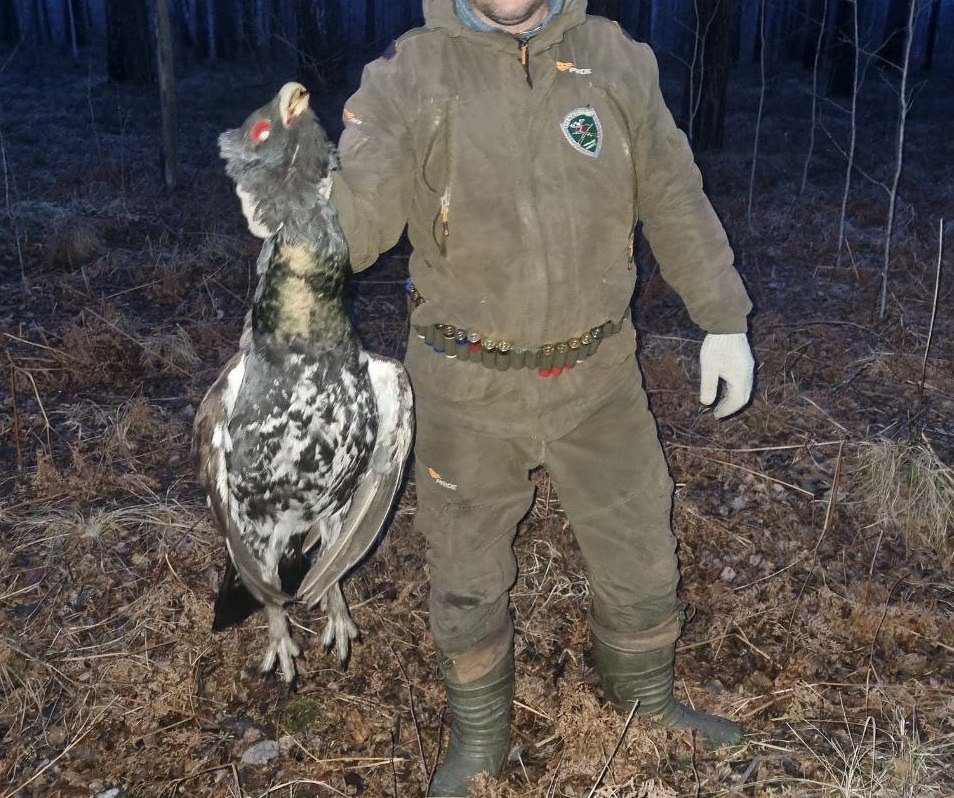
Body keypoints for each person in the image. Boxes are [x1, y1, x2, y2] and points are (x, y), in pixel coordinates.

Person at [267, 1, 755, 794]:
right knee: (465, 569)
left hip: (598, 377)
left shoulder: (614, 59)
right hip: (464, 385)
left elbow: (672, 191)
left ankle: (647, 702)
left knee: (641, 548)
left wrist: (723, 317)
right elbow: (360, 213)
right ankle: (479, 739)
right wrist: (302, 211)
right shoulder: (409, 74)